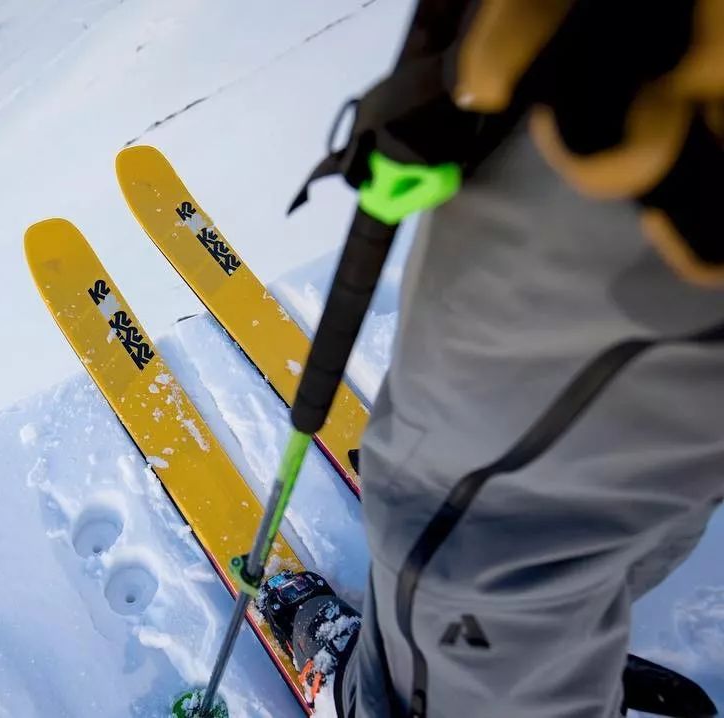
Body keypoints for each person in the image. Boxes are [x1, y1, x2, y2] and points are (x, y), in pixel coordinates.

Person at [277, 2, 724, 717]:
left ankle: (429, 690)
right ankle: (536, 657)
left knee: (468, 540)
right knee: (627, 492)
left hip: (644, 133)